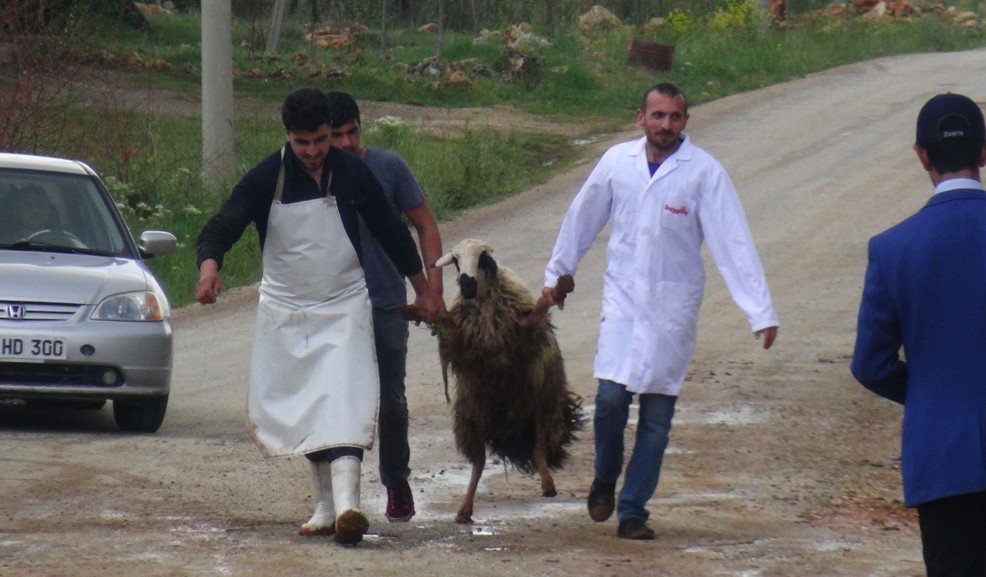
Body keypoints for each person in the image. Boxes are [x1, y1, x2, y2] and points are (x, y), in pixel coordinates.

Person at [195, 88, 440, 546]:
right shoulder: (268, 175)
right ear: (288, 135)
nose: (313, 152)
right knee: (311, 404)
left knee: (345, 400)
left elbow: (392, 232)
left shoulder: (353, 174)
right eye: (303, 142)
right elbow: (223, 224)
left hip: (345, 303)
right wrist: (210, 267)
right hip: (287, 310)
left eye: (321, 141)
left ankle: (350, 506)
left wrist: (424, 289)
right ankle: (326, 507)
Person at [539, 83, 779, 540]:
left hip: (672, 309)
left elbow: (734, 244)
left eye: (675, 117)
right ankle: (605, 476)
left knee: (656, 417)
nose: (666, 125)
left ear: (686, 121)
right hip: (623, 304)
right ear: (640, 118)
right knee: (610, 402)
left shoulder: (704, 174)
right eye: (658, 116)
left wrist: (759, 311)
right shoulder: (617, 163)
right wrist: (558, 274)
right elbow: (582, 217)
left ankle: (633, 511)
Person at [851, 93, 986, 576]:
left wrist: (931, 393)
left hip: (944, 459)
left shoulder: (893, 248)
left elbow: (871, 364)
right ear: (984, 152)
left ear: (922, 155)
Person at [323, 91, 444, 523]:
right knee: (338, 400)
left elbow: (426, 225)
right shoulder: (313, 174)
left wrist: (433, 289)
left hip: (386, 303)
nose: (347, 143)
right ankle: (345, 498)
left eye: (352, 132)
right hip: (334, 308)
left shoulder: (389, 167)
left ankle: (396, 480)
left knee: (391, 400)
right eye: (336, 135)